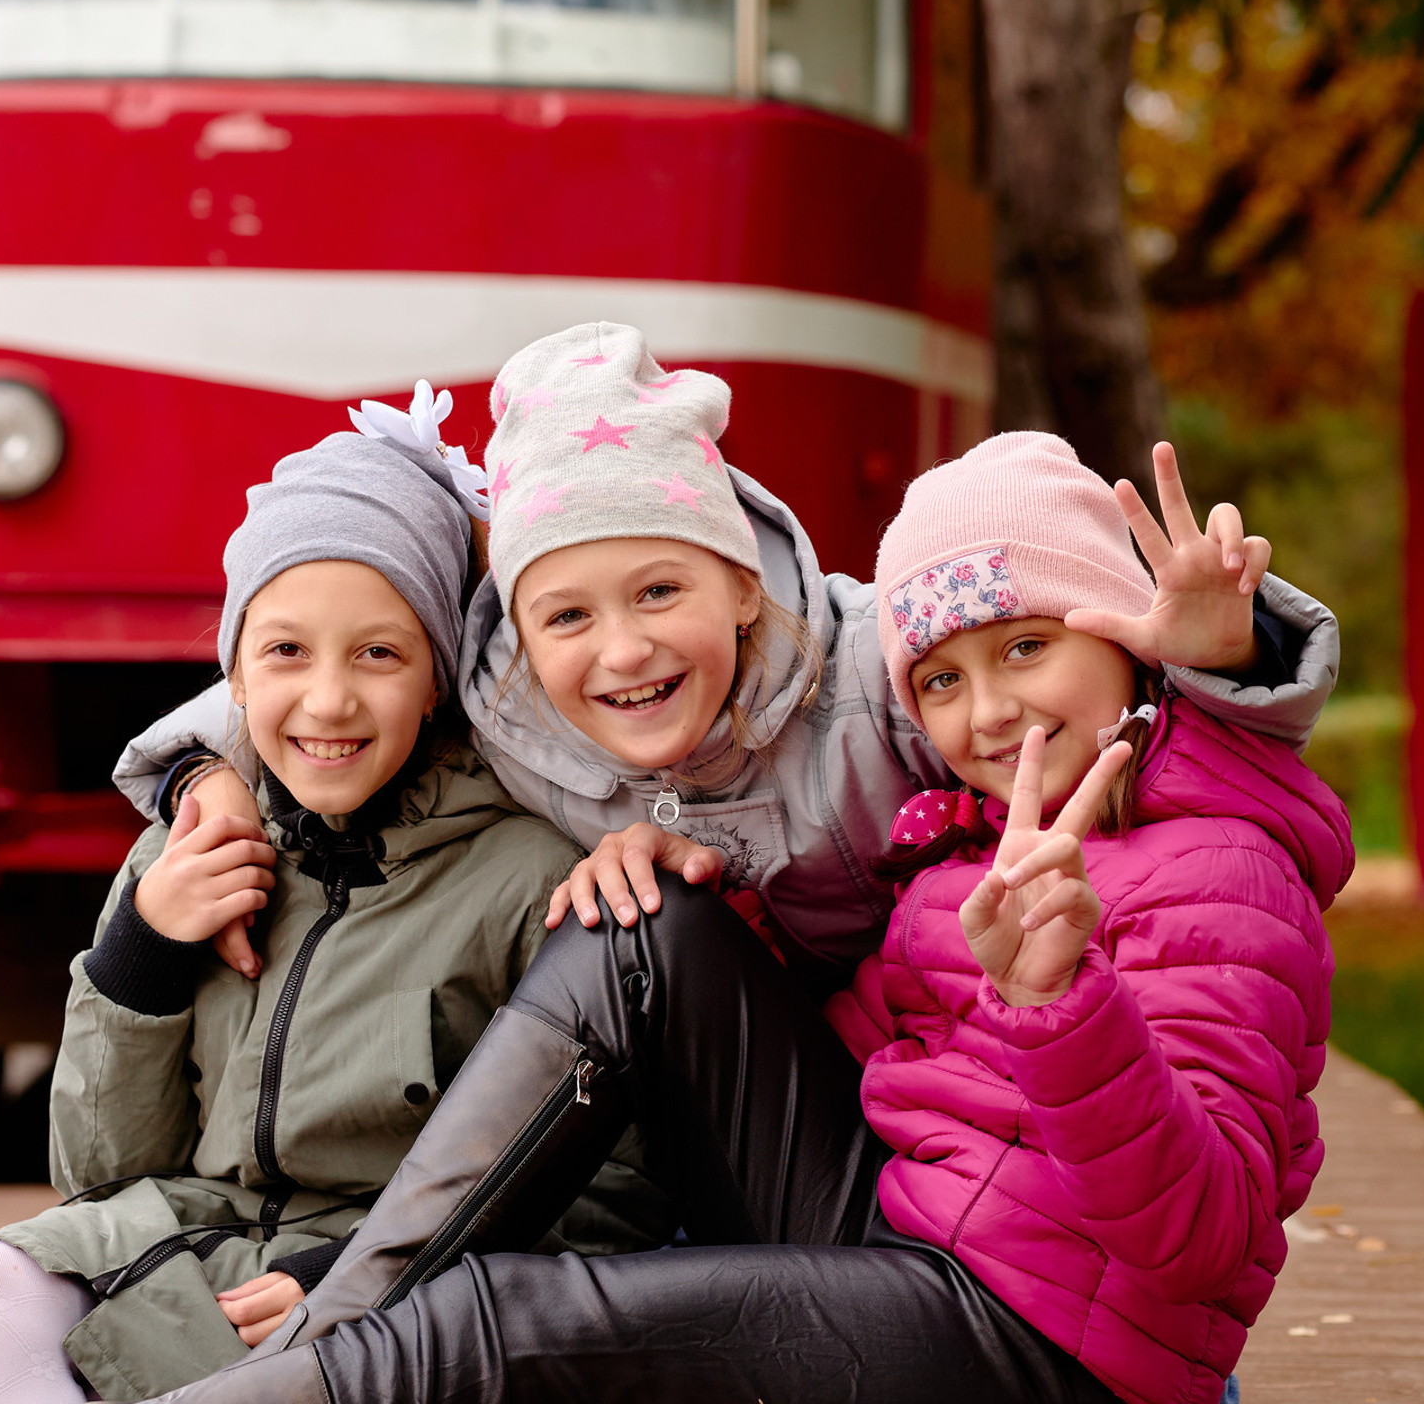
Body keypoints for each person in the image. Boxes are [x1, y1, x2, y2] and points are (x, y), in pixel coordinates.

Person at [120, 422, 1350, 1404]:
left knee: (491, 1328)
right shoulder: (955, 837)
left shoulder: (1222, 873)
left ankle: (307, 1357)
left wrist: (1059, 1003)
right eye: (941, 678)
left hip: (1049, 1343)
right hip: (910, 1226)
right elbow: (349, 671)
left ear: (1131, 644)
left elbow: (1203, 1238)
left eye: (1027, 649)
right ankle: (342, 1325)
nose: (986, 713)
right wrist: (708, 892)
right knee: (644, 920)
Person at [0, 392, 668, 1404]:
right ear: (233, 677)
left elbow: (615, 1201)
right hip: (213, 1231)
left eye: (379, 652)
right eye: (286, 651)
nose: (329, 698)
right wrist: (142, 950)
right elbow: (98, 1174)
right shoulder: (189, 853)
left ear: (438, 680)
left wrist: (372, 1274)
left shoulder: (528, 880)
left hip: (408, 1282)